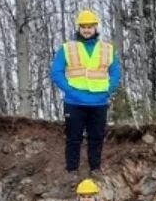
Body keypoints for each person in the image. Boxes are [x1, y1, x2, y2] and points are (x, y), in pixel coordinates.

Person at [50, 9, 121, 179]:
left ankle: (95, 168)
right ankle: (72, 170)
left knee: (96, 137)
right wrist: (69, 91)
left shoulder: (107, 49)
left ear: (96, 28)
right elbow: (56, 72)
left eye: (90, 27)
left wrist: (108, 90)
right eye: (83, 27)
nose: (87, 30)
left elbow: (116, 72)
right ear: (78, 28)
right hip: (74, 103)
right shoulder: (68, 48)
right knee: (73, 138)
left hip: (99, 102)